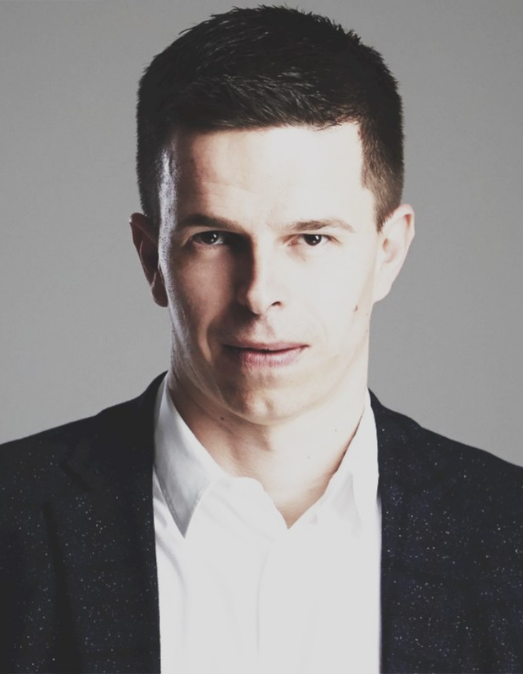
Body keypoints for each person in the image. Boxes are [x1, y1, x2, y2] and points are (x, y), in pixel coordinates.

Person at [1, 5, 522, 674]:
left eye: (311, 238)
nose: (259, 293)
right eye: (214, 237)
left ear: (388, 251)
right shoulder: (13, 522)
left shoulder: (506, 535)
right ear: (151, 257)